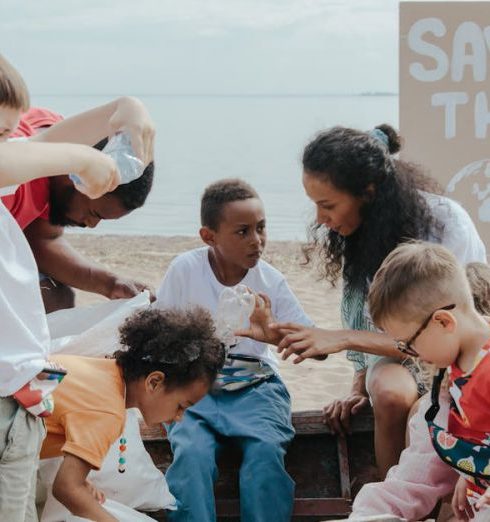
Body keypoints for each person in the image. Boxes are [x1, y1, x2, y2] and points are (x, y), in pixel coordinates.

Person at [266, 124, 486, 477]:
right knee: (388, 391)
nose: (321, 220)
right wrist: (358, 386)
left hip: (458, 356)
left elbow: (453, 332)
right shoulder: (360, 232)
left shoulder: (447, 225)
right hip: (398, 356)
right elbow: (361, 316)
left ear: (368, 192)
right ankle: (393, 495)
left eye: (328, 205)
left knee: (428, 410)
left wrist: (342, 338)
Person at [155, 178, 313, 522]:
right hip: (195, 386)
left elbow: (316, 347)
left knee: (266, 452)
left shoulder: (270, 281)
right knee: (191, 454)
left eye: (261, 228)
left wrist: (273, 334)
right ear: (208, 236)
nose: (257, 241)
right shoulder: (185, 269)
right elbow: (158, 334)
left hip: (256, 386)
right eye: (242, 232)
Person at [0, 136, 120, 522]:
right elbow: (68, 489)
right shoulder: (109, 410)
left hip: (24, 405)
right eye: (4, 131)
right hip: (13, 406)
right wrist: (85, 157)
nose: (92, 223)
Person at [39, 307, 224, 522]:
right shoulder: (107, 411)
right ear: (154, 382)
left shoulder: (102, 370)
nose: (179, 417)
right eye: (181, 406)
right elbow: (66, 488)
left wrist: (81, 484)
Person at [350, 260, 490, 522]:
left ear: (443, 322)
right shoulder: (448, 383)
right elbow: (418, 471)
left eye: (408, 344)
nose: (411, 356)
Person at [2, 106, 155, 313]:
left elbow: (43, 240)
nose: (90, 225)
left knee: (57, 296)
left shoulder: (60, 131)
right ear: (74, 177)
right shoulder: (17, 185)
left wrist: (110, 283)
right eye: (94, 214)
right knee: (44, 299)